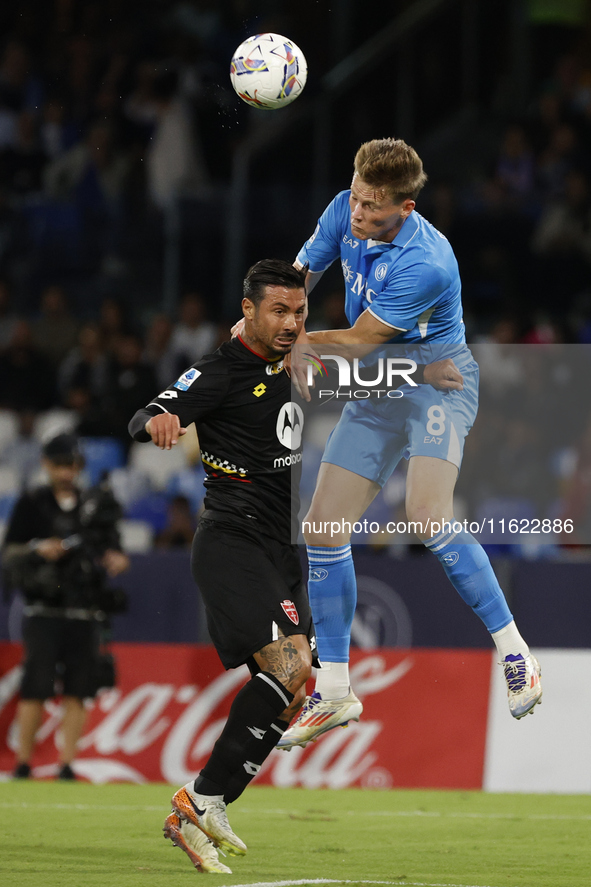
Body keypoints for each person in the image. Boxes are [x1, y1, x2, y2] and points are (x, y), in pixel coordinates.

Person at [278, 137, 542, 751]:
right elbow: (302, 271)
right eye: (358, 196)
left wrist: (298, 339)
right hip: (378, 390)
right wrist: (277, 307)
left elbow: (364, 338)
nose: (360, 212)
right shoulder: (345, 205)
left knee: (426, 515)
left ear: (408, 206)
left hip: (436, 385)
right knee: (321, 529)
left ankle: (516, 651)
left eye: (375, 206)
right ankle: (337, 690)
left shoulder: (428, 261)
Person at [128, 260, 317, 874]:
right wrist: (158, 420)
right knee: (289, 666)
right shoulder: (217, 372)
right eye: (279, 312)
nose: (292, 323)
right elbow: (148, 412)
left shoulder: (298, 358)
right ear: (248, 310)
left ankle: (203, 808)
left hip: (285, 546)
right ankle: (201, 797)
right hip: (233, 539)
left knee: (295, 687)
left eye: (299, 311)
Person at [2, 433, 130, 780]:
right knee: (35, 688)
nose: (66, 471)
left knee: (78, 689)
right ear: (46, 465)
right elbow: (9, 552)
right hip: (44, 609)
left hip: (85, 610)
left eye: (71, 464)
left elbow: (114, 550)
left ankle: (67, 764)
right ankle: (24, 763)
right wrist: (38, 549)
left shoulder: (97, 505)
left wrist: (116, 559)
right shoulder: (32, 502)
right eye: (59, 464)